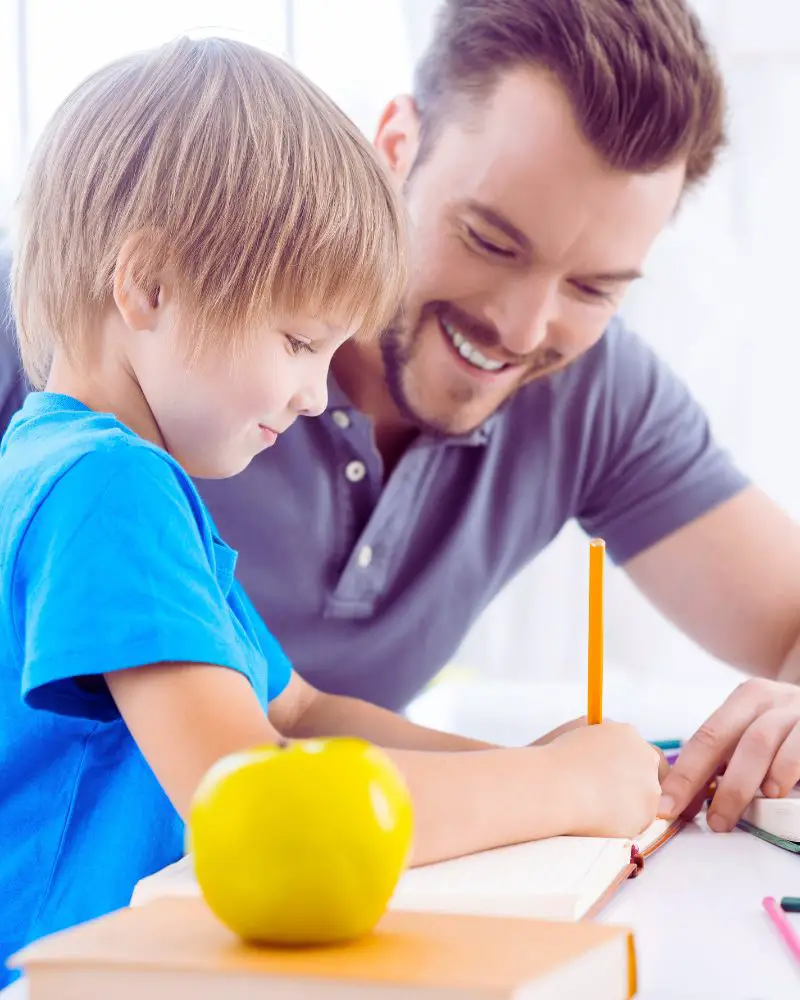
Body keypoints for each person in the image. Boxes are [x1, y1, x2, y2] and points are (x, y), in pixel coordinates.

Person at [2, 0, 799, 863]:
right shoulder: (110, 484)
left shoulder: (148, 486)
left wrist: (550, 770)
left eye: (595, 288)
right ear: (148, 286)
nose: (526, 330)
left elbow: (300, 711)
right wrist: (561, 787)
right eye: (491, 239)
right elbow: (257, 808)